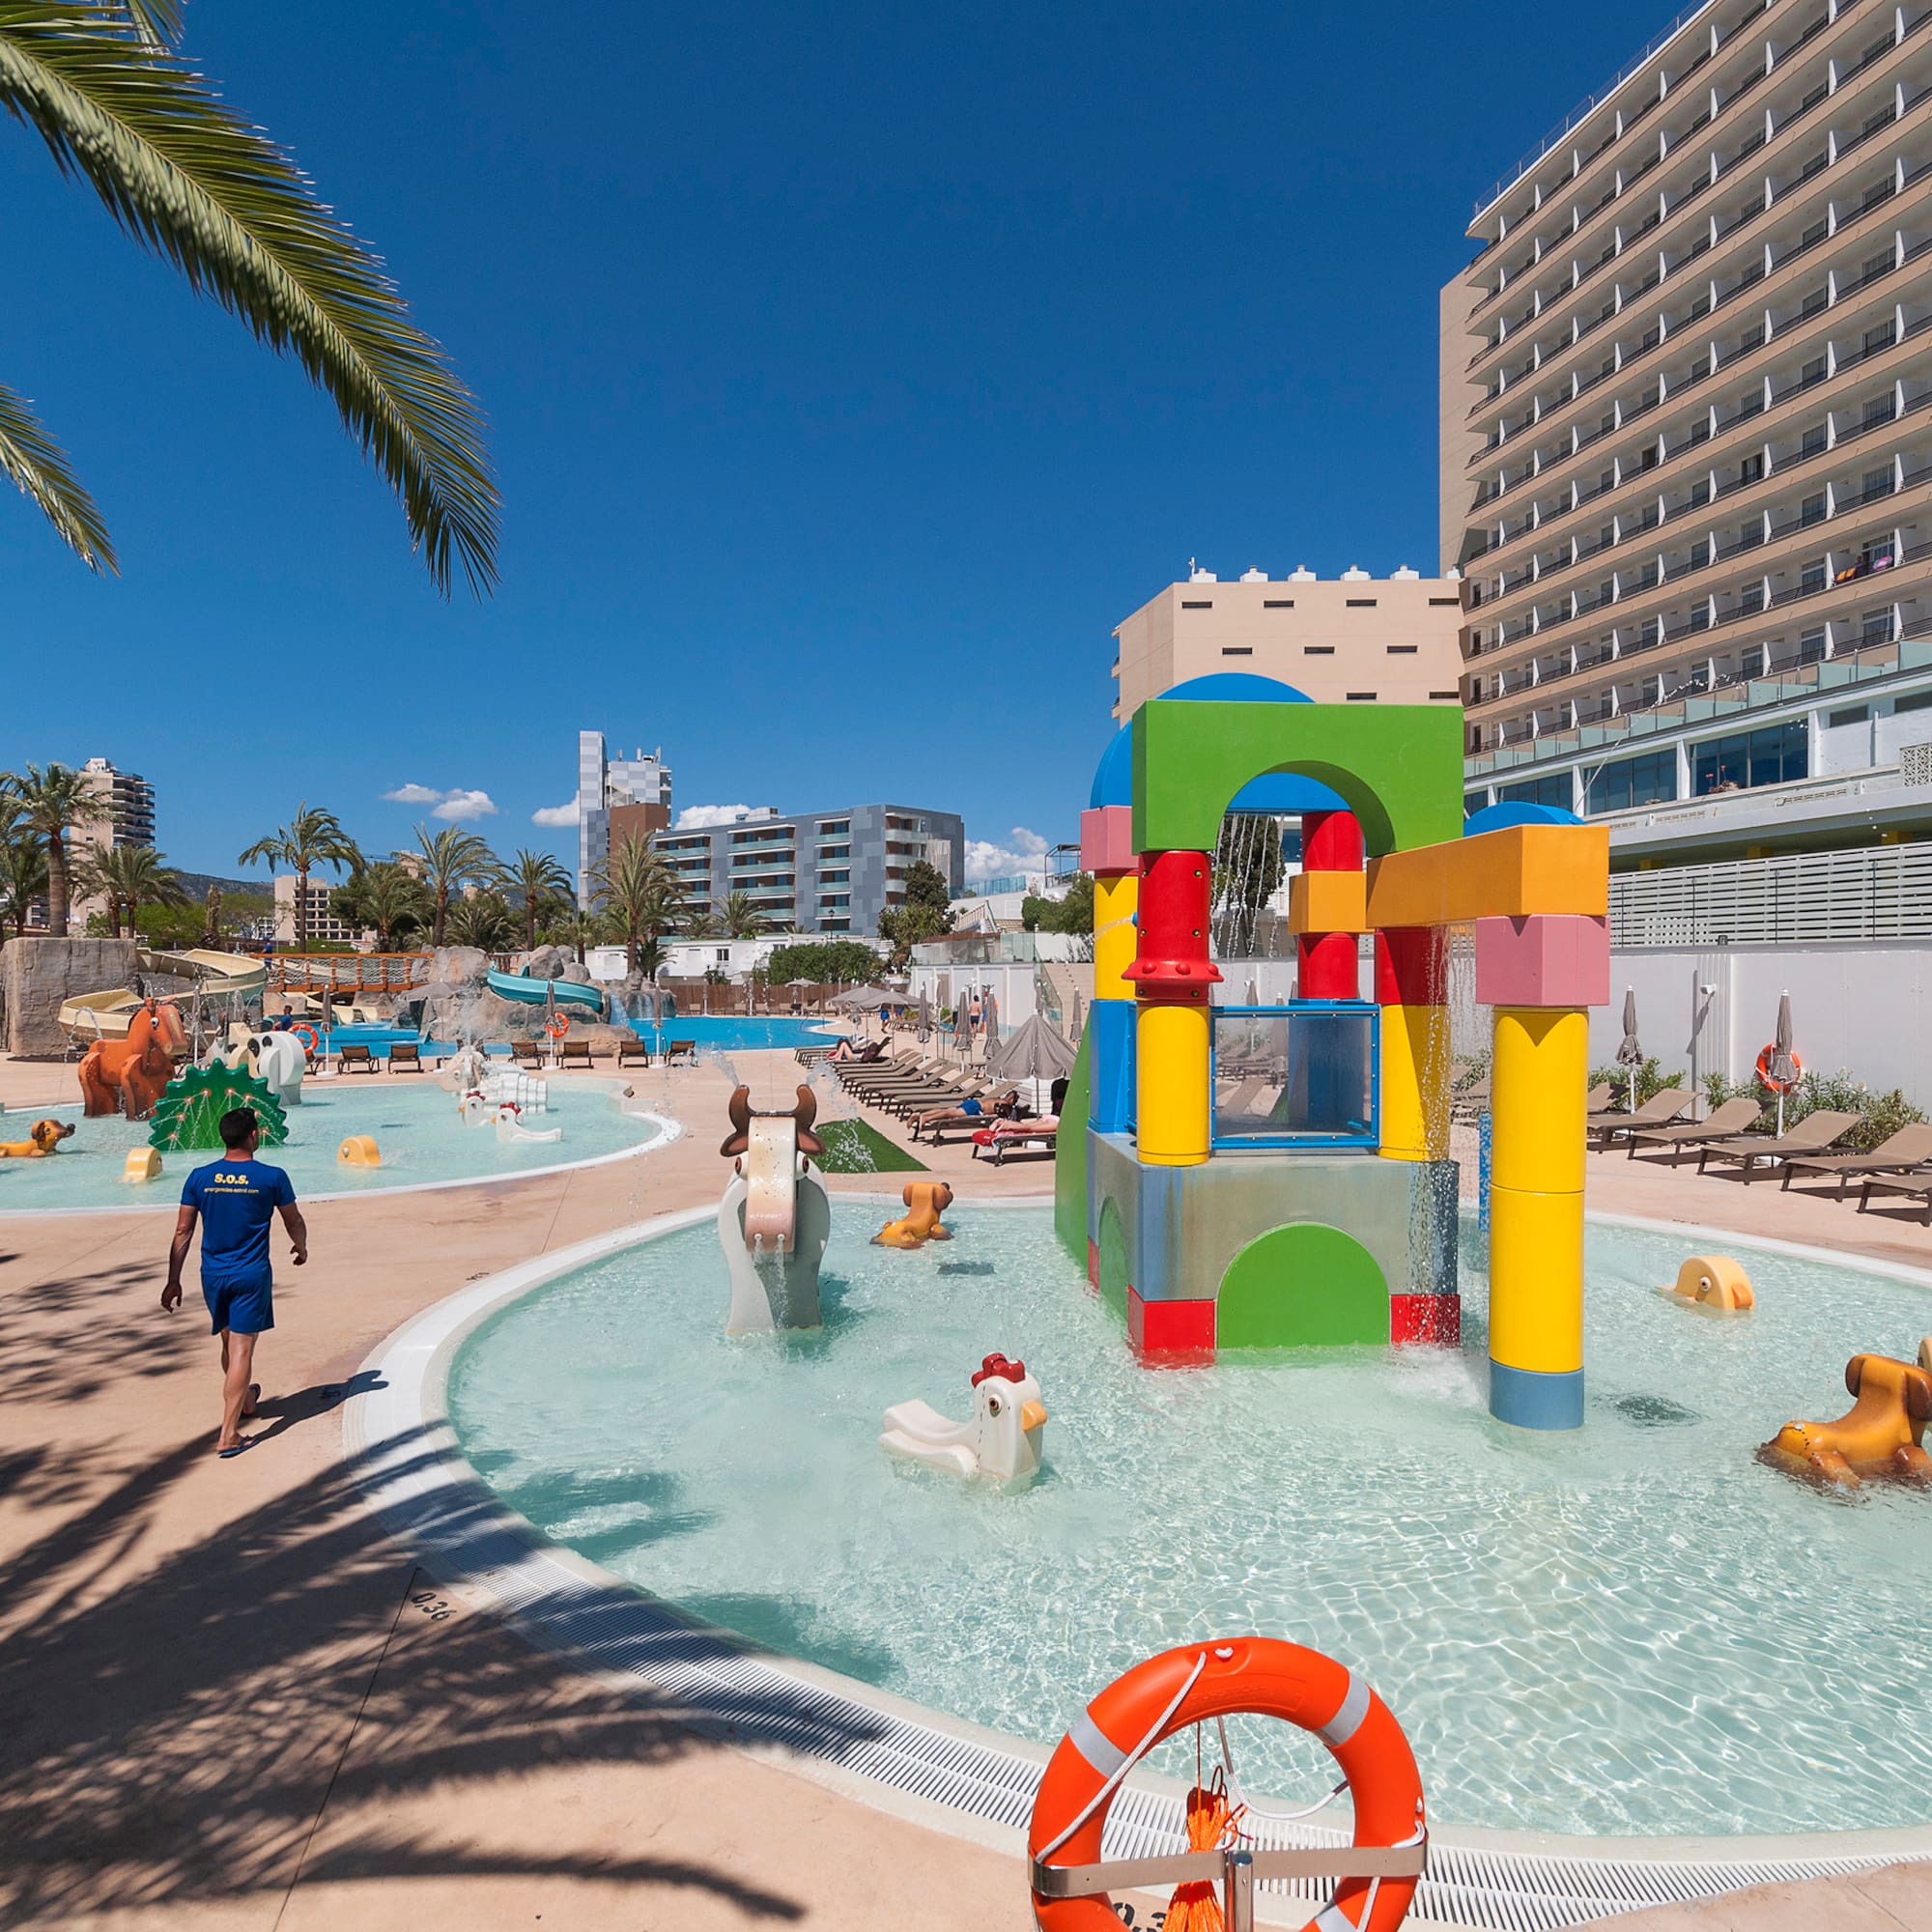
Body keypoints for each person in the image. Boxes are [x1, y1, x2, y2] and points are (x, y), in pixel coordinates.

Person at [161, 1107, 307, 1459]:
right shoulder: (271, 1177)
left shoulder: (199, 1177)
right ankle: (229, 1435)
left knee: (229, 1345)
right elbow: (293, 1219)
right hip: (250, 1275)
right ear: (253, 1135)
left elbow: (183, 1230)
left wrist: (173, 1280)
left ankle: (245, 1401)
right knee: (242, 1349)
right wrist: (301, 1245)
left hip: (213, 1274)